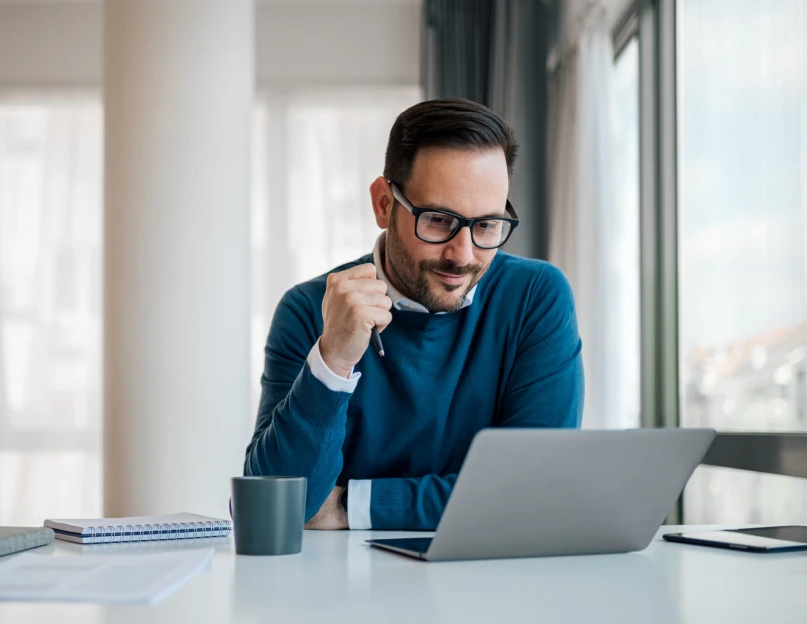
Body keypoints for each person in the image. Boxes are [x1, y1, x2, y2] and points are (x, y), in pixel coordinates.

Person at [244, 98, 584, 531]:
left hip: (492, 586)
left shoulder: (536, 297)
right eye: (439, 220)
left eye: (487, 225)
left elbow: (535, 491)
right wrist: (333, 361)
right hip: (338, 592)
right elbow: (274, 505)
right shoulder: (309, 310)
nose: (463, 256)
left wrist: (354, 505)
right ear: (384, 204)